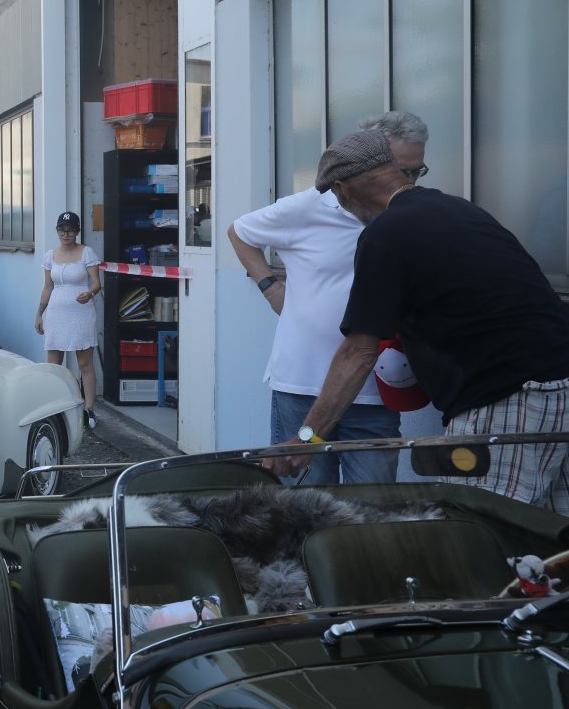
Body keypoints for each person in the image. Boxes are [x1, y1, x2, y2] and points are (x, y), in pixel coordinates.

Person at [283, 129, 569, 509]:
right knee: (549, 532)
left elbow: (359, 352)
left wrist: (307, 438)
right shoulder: (460, 209)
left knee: (479, 526)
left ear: (342, 189)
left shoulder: (384, 235)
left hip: (507, 400)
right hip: (560, 386)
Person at [226, 137, 419, 483]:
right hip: (302, 389)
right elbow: (239, 232)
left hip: (375, 393)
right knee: (307, 497)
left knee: (374, 501)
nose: (406, 183)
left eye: (416, 172)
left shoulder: (411, 214)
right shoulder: (308, 207)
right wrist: (271, 288)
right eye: (401, 171)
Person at [37, 212, 102, 430]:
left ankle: (89, 408)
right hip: (56, 314)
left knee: (84, 363)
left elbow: (96, 283)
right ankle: (53, 407)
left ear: (77, 232)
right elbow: (48, 287)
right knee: (53, 364)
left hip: (81, 313)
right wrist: (39, 313)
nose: (66, 234)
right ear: (57, 231)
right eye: (62, 230)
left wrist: (90, 293)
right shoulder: (50, 255)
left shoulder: (87, 253)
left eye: (71, 231)